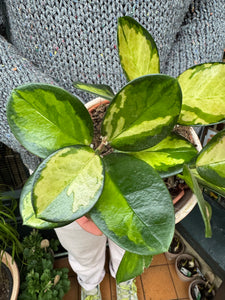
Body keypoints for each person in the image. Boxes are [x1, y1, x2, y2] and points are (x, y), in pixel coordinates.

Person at [0, 1, 225, 299]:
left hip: (154, 138)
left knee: (131, 240)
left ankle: (124, 277)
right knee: (81, 247)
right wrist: (30, 112)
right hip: (56, 161)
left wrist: (163, 102)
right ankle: (89, 282)